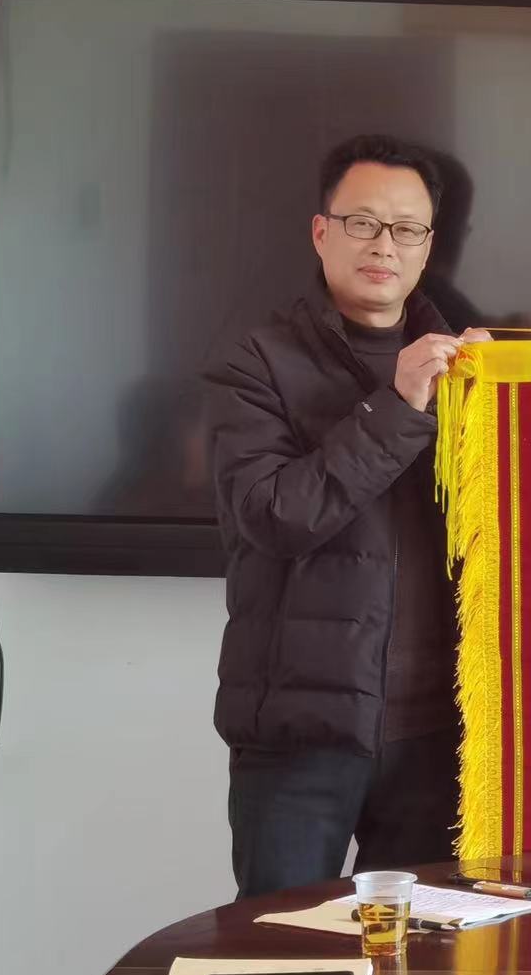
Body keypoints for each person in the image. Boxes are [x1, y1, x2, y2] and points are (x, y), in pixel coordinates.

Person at [206, 134, 490, 898]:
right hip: (300, 734)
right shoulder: (255, 363)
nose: (384, 245)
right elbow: (274, 516)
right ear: (321, 231)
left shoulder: (470, 368)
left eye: (406, 229)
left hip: (440, 734)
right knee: (280, 945)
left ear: (429, 246)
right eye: (363, 223)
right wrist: (398, 404)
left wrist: (502, 406)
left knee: (423, 946)